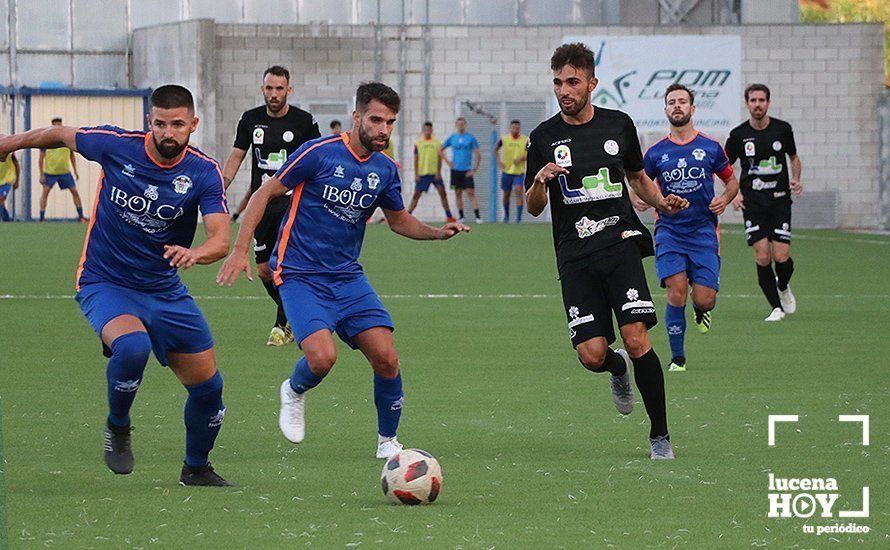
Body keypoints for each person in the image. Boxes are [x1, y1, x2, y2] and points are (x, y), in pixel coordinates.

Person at [217, 82, 470, 460]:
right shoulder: (318, 153)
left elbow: (398, 220)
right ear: (356, 117)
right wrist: (240, 248)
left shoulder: (385, 170)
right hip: (300, 273)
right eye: (376, 120)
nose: (384, 129)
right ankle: (293, 390)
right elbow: (263, 193)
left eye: (390, 122)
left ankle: (388, 442)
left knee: (386, 357)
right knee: (322, 358)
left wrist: (437, 233)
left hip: (347, 277)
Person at [0, 85, 233, 486]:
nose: (168, 133)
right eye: (160, 123)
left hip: (164, 289)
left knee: (209, 390)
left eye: (178, 124)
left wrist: (197, 254)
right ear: (150, 122)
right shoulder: (116, 145)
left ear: (193, 124)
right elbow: (58, 135)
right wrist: (9, 143)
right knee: (133, 346)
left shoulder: (203, 171)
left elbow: (220, 238)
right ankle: (119, 426)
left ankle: (196, 468)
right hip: (104, 280)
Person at [524, 43, 688, 460]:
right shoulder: (543, 137)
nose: (565, 90)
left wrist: (661, 201)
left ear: (592, 83)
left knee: (637, 339)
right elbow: (532, 205)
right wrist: (540, 180)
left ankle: (660, 436)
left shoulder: (618, 125)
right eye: (559, 82)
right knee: (591, 354)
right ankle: (616, 370)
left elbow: (637, 178)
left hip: (619, 246)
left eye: (573, 82)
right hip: (574, 255)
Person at [640, 83, 739, 372]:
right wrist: (643, 200)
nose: (677, 106)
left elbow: (731, 182)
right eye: (672, 102)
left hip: (703, 232)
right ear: (666, 109)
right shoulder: (656, 153)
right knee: (676, 292)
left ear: (693, 109)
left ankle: (701, 311)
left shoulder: (710, 147)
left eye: (682, 101)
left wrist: (724, 199)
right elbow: (639, 185)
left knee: (705, 299)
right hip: (669, 231)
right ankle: (678, 358)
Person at [222, 66, 321, 346]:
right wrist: (219, 189)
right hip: (261, 204)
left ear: (289, 90)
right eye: (269, 88)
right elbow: (237, 156)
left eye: (280, 89)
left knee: (283, 266)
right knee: (264, 269)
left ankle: (281, 325)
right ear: (262, 89)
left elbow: (317, 161)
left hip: (293, 204)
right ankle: (295, 315)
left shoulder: (304, 122)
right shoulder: (250, 120)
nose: (274, 94)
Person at [725, 84, 802, 322]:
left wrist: (797, 179)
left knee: (782, 256)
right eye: (753, 100)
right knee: (762, 257)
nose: (757, 104)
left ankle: (783, 285)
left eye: (761, 100)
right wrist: (734, 194)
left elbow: (794, 157)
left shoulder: (782, 129)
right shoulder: (739, 135)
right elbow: (725, 168)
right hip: (753, 204)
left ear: (768, 102)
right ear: (747, 104)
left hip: (779, 201)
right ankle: (776, 308)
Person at [38, 117, 86, 222]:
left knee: (74, 191)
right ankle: (41, 217)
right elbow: (41, 158)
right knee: (45, 193)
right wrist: (41, 174)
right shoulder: (46, 141)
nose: (57, 128)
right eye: (55, 126)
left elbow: (72, 156)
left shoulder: (66, 140)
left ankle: (81, 216)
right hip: (50, 172)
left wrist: (75, 171)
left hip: (65, 172)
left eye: (59, 125)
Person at [407, 121, 455, 222]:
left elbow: (439, 158)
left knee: (442, 193)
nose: (427, 131)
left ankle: (449, 216)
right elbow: (416, 159)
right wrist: (416, 174)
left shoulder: (437, 143)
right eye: (426, 129)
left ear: (432, 130)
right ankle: (407, 215)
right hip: (422, 173)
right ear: (423, 130)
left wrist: (438, 172)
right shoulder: (418, 144)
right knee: (416, 195)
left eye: (429, 129)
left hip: (434, 174)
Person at [440, 117, 482, 224]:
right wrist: (448, 162)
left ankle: (477, 217)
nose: (461, 126)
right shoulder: (452, 138)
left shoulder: (470, 138)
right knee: (457, 193)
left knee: (470, 192)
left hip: (467, 170)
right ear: (456, 125)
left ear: (465, 125)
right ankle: (461, 216)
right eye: (459, 124)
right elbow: (440, 150)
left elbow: (478, 153)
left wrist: (474, 169)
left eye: (462, 124)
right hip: (455, 171)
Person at [494, 120, 528, 223]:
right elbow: (495, 149)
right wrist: (499, 161)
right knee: (506, 194)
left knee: (518, 191)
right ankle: (507, 216)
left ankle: (518, 217)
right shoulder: (504, 139)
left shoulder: (525, 140)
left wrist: (522, 158)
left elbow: (531, 152)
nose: (515, 130)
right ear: (510, 128)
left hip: (519, 171)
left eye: (517, 128)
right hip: (507, 171)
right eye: (513, 128)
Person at [0, 152, 19, 221]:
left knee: (1, 199)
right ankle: (7, 219)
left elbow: (16, 163)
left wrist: (17, 180)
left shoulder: (8, 148)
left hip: (7, 178)